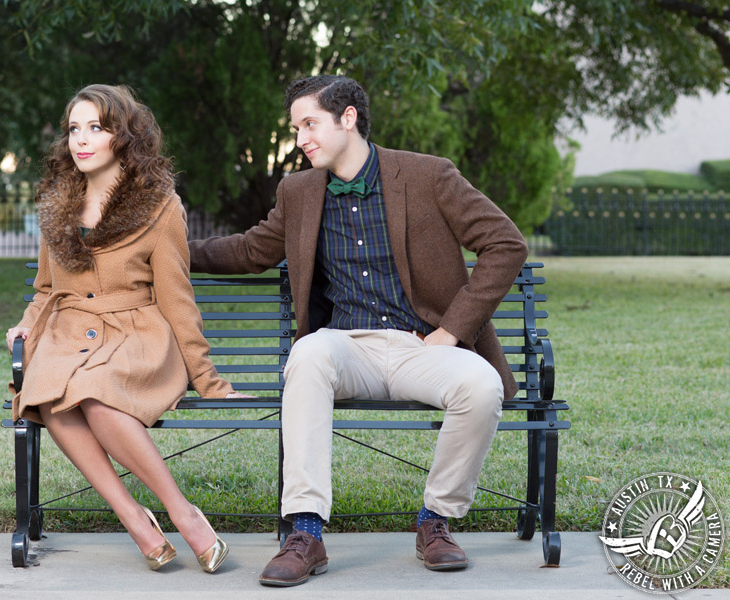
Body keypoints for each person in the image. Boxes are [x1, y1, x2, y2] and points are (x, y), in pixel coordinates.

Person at [188, 75, 528, 586]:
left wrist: (453, 330)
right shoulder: (299, 191)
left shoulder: (428, 175)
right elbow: (251, 250)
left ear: (348, 118)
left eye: (310, 124)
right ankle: (305, 533)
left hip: (422, 346)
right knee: (308, 355)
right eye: (296, 127)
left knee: (479, 387)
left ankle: (435, 521)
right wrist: (169, 250)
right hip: (345, 347)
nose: (301, 138)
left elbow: (506, 243)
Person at [6, 84, 246, 574]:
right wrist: (26, 325)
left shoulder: (159, 206)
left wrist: (209, 381)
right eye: (75, 128)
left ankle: (181, 511)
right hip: (69, 332)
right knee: (47, 392)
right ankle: (133, 516)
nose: (82, 139)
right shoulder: (57, 204)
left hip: (136, 333)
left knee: (93, 393)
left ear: (125, 135)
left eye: (96, 127)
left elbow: (178, 299)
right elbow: (46, 289)